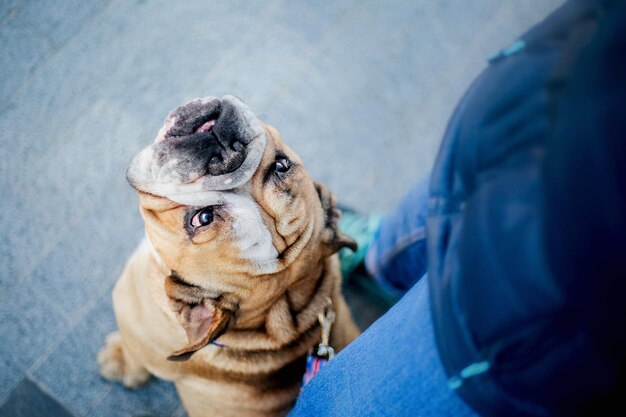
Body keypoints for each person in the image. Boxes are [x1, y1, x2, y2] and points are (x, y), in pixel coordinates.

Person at [289, 0, 626, 415]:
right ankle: (381, 262)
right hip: (521, 126)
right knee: (408, 232)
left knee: (331, 409)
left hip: (532, 315)